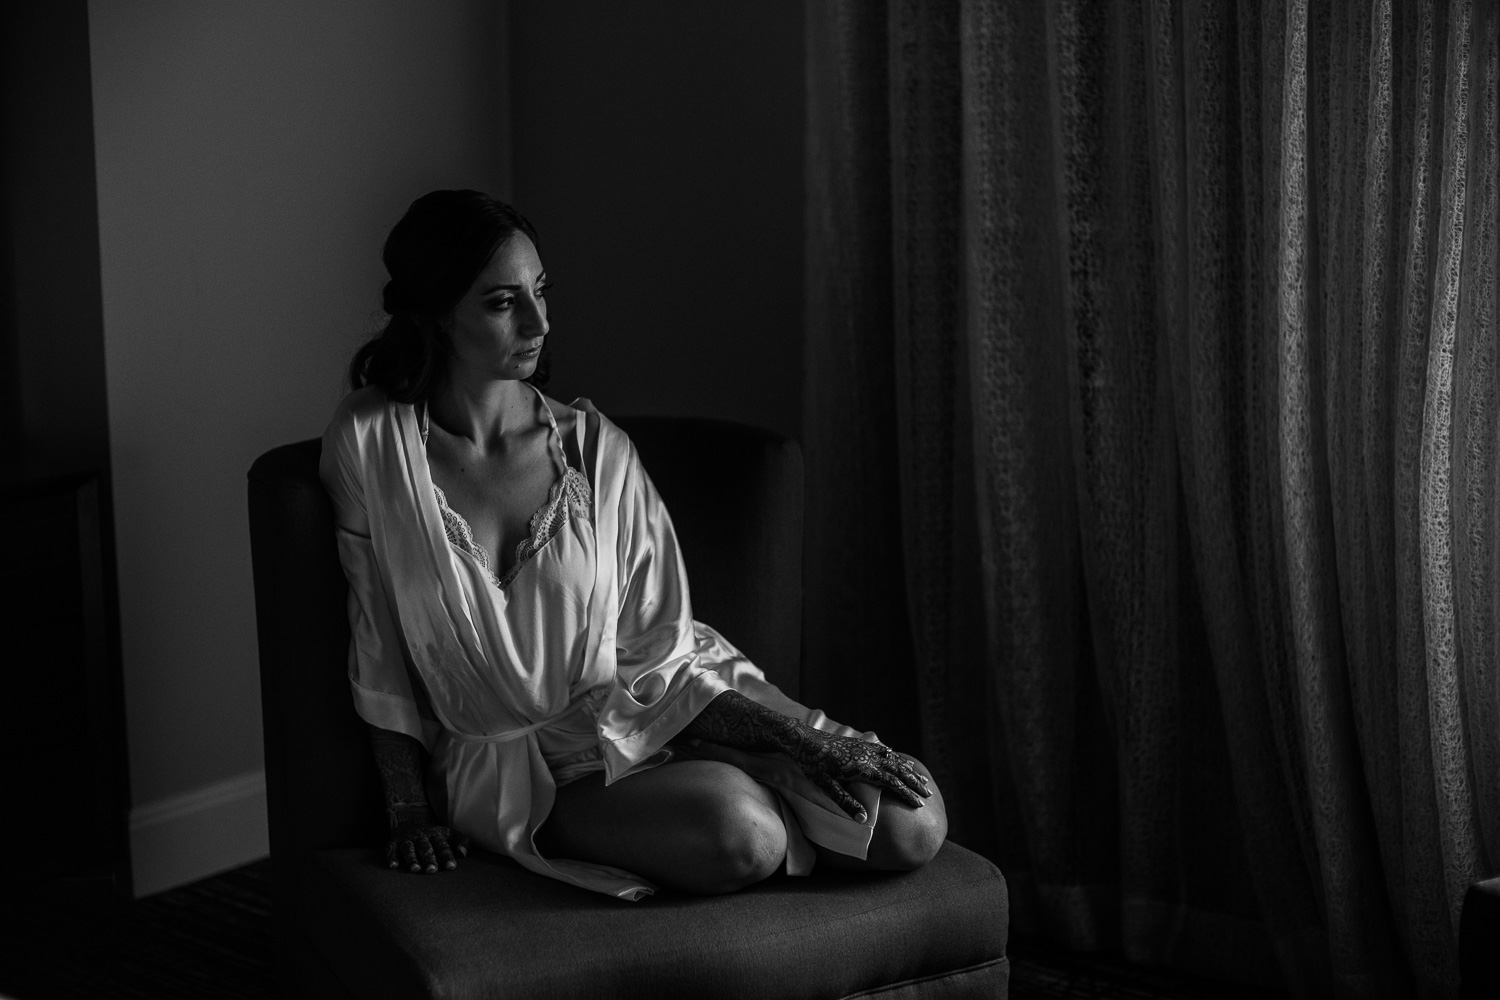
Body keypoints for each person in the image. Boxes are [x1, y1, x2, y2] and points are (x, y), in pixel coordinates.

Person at [321, 189, 946, 899]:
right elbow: (375, 644)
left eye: (541, 290)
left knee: (911, 822)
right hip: (531, 769)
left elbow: (662, 655)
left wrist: (795, 741)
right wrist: (407, 809)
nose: (539, 321)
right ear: (435, 312)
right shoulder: (370, 440)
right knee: (746, 836)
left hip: (665, 700)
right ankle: (727, 790)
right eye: (503, 302)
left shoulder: (597, 452)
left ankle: (735, 762)